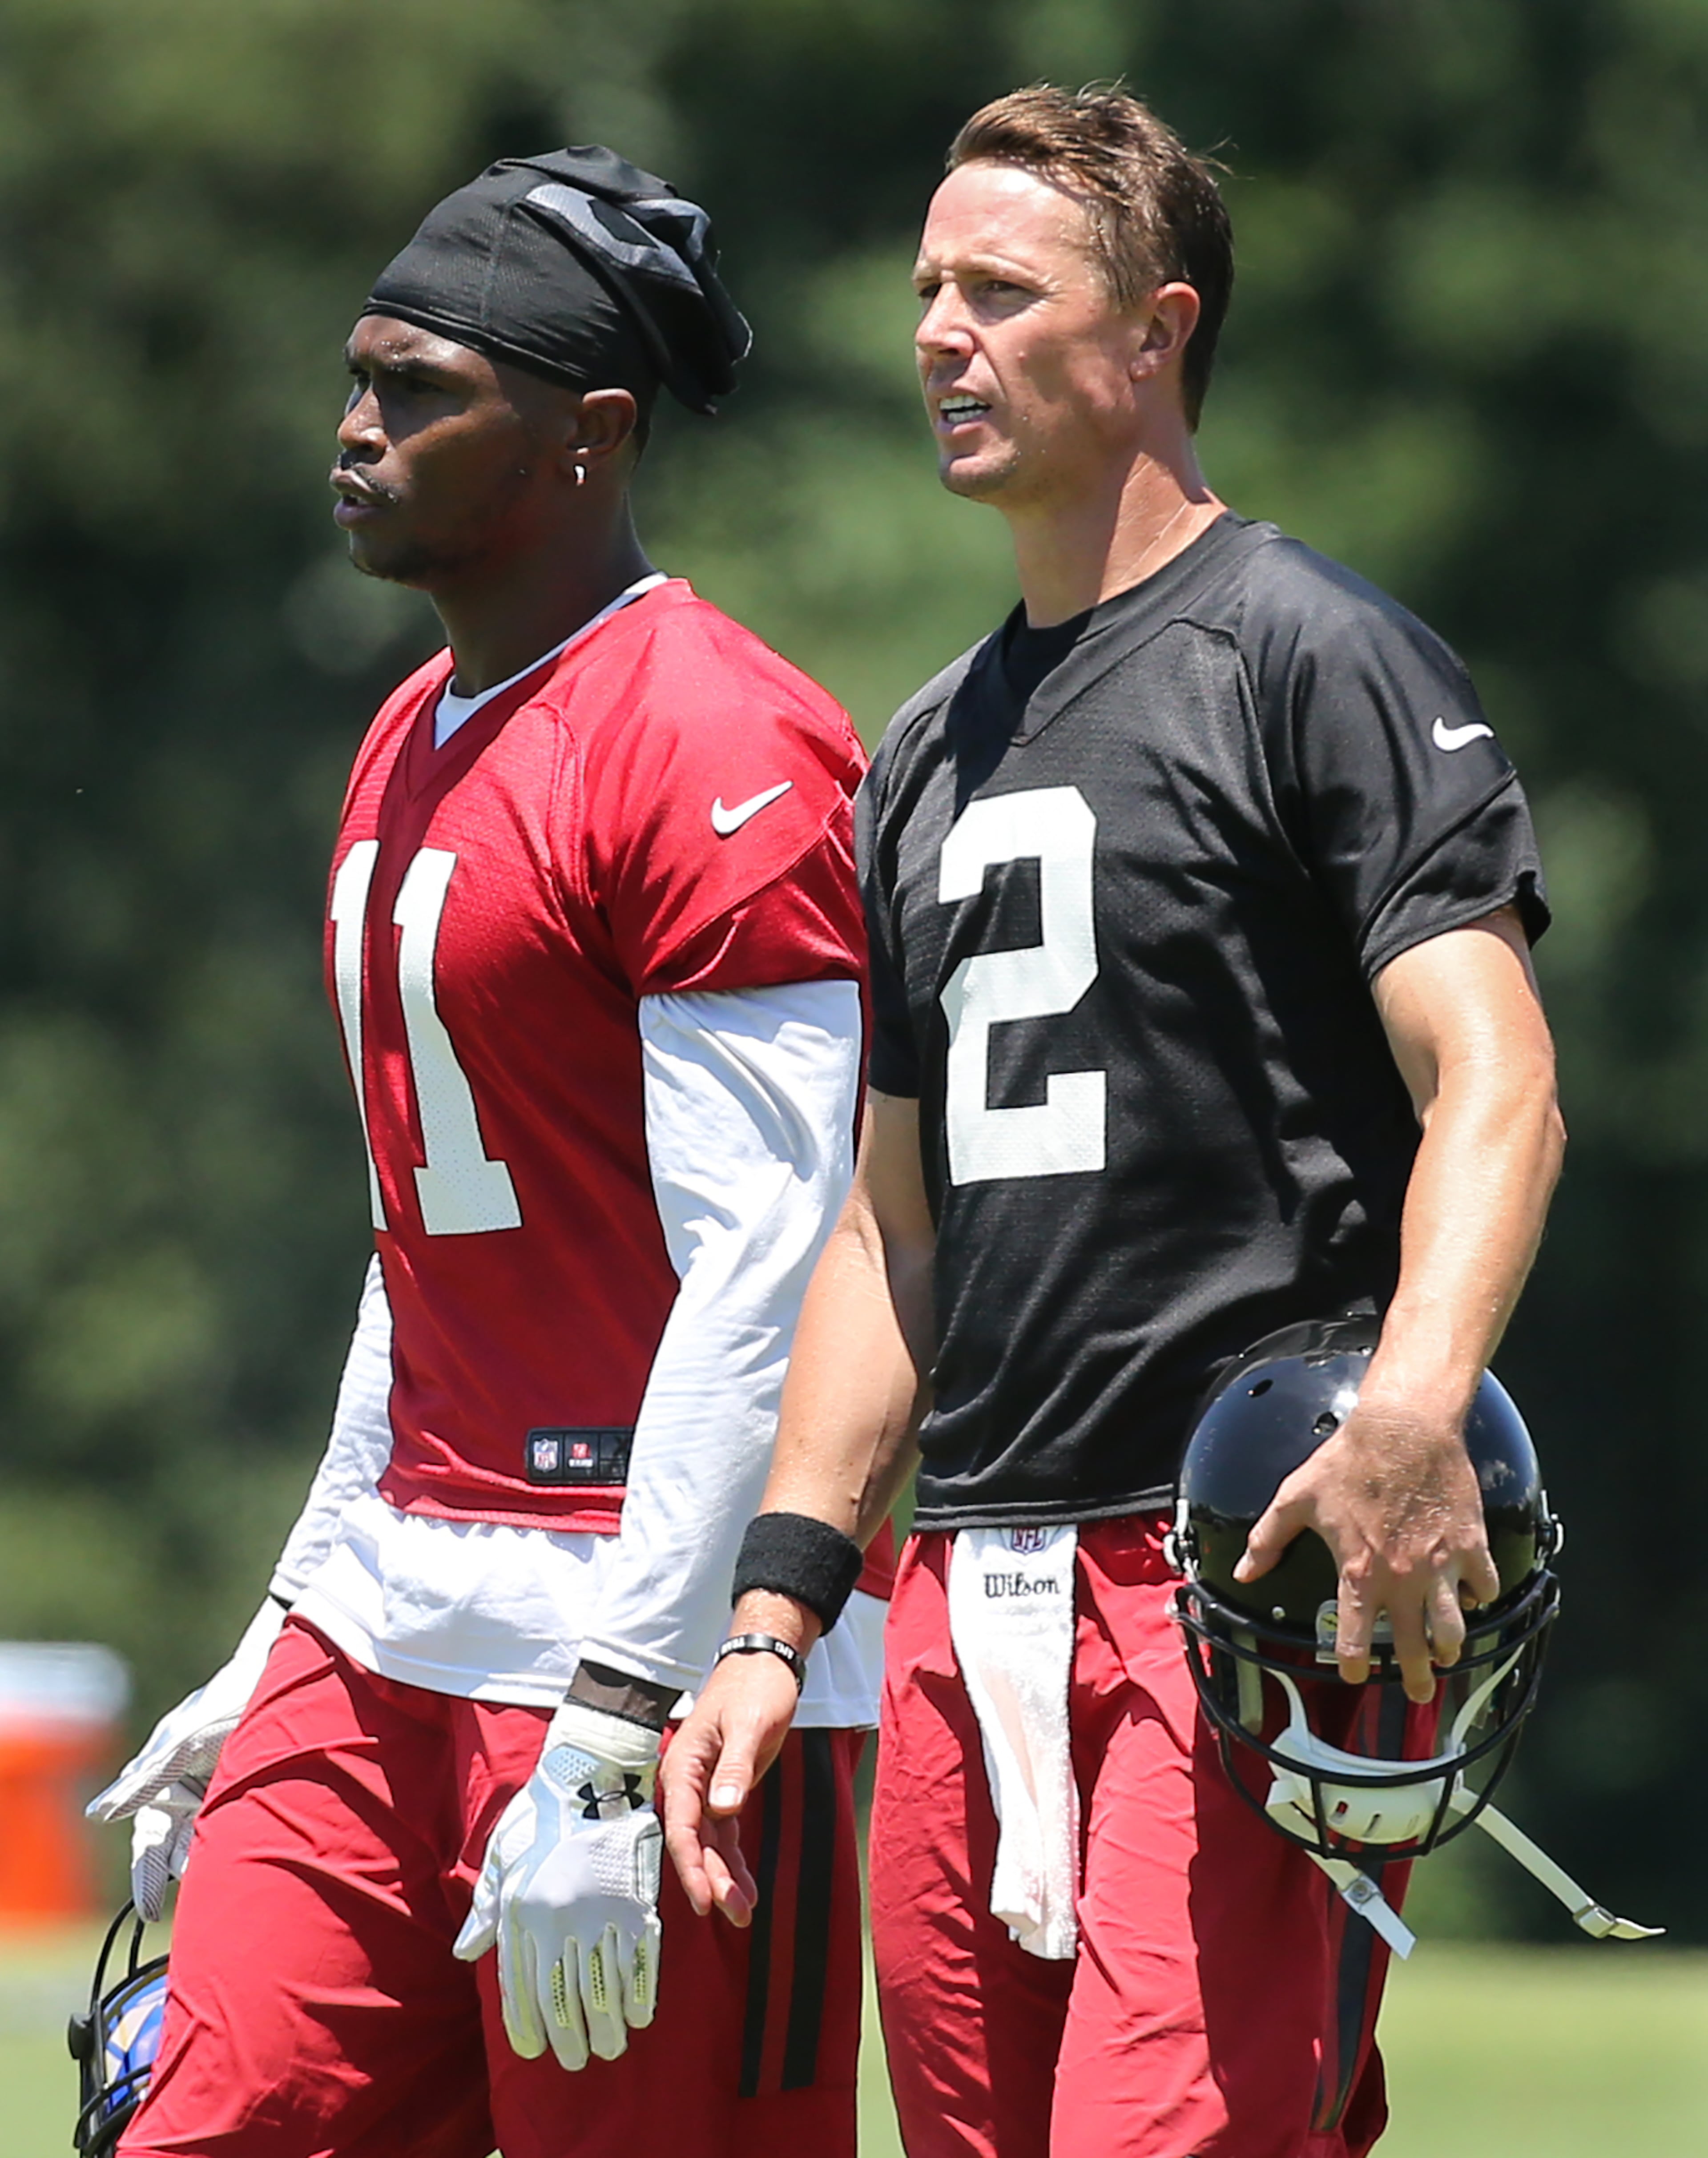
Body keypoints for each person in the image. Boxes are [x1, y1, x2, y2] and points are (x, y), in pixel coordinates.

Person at [663, 85, 1563, 2158]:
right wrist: (778, 1609)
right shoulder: (921, 752)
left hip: (1235, 1571)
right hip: (961, 1592)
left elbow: (1500, 1082)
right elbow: (891, 1233)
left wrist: (1415, 1408)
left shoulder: (1307, 653)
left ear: (1158, 331)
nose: (938, 334)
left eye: (1000, 290)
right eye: (927, 290)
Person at [89, 145, 888, 2158]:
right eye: (356, 378)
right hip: (389, 1620)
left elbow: (778, 1264)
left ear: (588, 435)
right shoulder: (407, 731)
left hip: (654, 1646)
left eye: (419, 388)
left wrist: (618, 1711)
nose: (355, 428)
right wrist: (285, 1616)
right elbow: (427, 1248)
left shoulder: (716, 736)